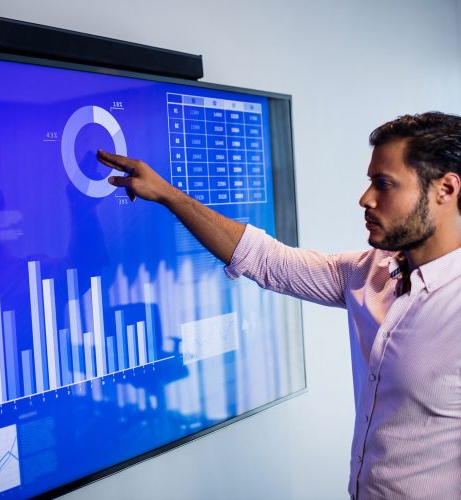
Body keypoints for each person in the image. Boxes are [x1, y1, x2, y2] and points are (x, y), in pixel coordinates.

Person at [97, 111, 461, 500]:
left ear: (445, 189)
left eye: (383, 184)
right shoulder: (369, 274)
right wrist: (167, 194)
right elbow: (266, 259)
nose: (365, 198)